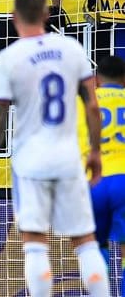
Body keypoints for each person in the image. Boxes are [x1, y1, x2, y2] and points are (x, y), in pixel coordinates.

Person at [0, 0, 110, 297]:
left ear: (12, 17)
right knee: (85, 241)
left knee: (34, 245)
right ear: (46, 14)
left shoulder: (8, 59)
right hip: (67, 156)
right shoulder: (71, 50)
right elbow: (92, 105)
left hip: (30, 160)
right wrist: (96, 152)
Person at [78, 56, 125, 295]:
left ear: (96, 80)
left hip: (93, 181)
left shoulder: (84, 103)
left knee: (95, 247)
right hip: (124, 178)